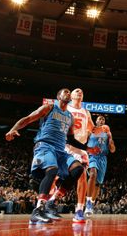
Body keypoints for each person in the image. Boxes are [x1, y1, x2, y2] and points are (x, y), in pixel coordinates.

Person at [5, 88, 85, 225]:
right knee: (52, 170)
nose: (67, 93)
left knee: (78, 169)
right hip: (45, 145)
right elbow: (29, 118)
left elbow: (71, 139)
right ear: (58, 96)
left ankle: (52, 202)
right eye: (65, 91)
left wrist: (88, 148)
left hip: (61, 151)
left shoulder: (70, 117)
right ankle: (38, 210)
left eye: (68, 92)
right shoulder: (49, 107)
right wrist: (14, 129)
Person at [47, 88, 94, 223]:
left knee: (82, 176)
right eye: (76, 91)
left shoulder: (86, 112)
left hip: (80, 149)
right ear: (71, 96)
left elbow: (92, 128)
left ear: (82, 97)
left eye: (81, 91)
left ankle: (79, 210)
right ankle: (48, 203)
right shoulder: (65, 109)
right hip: (65, 145)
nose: (79, 91)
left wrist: (101, 129)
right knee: (55, 176)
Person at [85, 115, 116, 217]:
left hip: (102, 158)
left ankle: (92, 204)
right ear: (96, 121)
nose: (101, 120)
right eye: (100, 119)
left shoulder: (107, 134)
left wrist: (110, 137)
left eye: (103, 119)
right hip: (92, 156)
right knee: (92, 174)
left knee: (98, 184)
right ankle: (88, 202)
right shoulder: (91, 130)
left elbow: (112, 150)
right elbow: (84, 144)